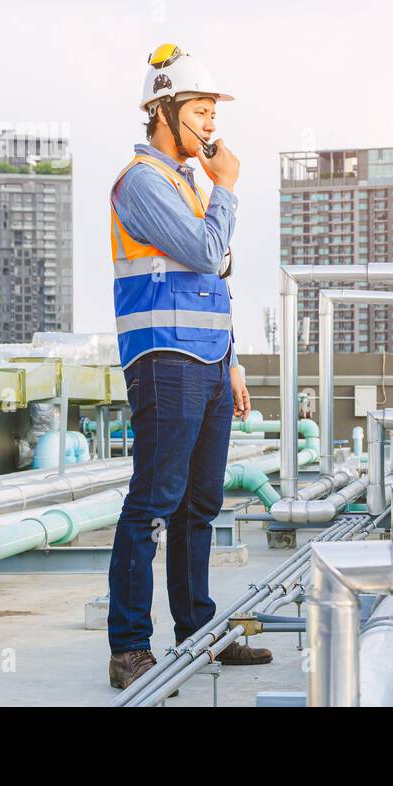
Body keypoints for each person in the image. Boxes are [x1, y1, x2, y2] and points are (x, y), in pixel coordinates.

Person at [107, 43, 271, 690]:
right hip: (164, 357)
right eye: (199, 110)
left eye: (211, 111)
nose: (209, 123)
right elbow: (208, 253)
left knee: (199, 504)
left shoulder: (186, 183)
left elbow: (214, 277)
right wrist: (228, 186)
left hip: (204, 360)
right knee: (153, 501)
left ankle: (198, 632)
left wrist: (230, 359)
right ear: (162, 112)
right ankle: (128, 647)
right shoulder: (141, 182)